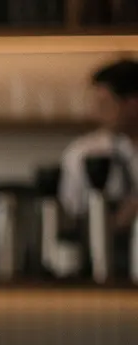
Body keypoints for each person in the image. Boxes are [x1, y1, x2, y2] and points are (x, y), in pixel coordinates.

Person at [59, 58, 138, 275]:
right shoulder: (83, 152)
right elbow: (69, 214)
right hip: (96, 263)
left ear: (132, 104)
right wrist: (110, 223)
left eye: (104, 104)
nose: (96, 112)